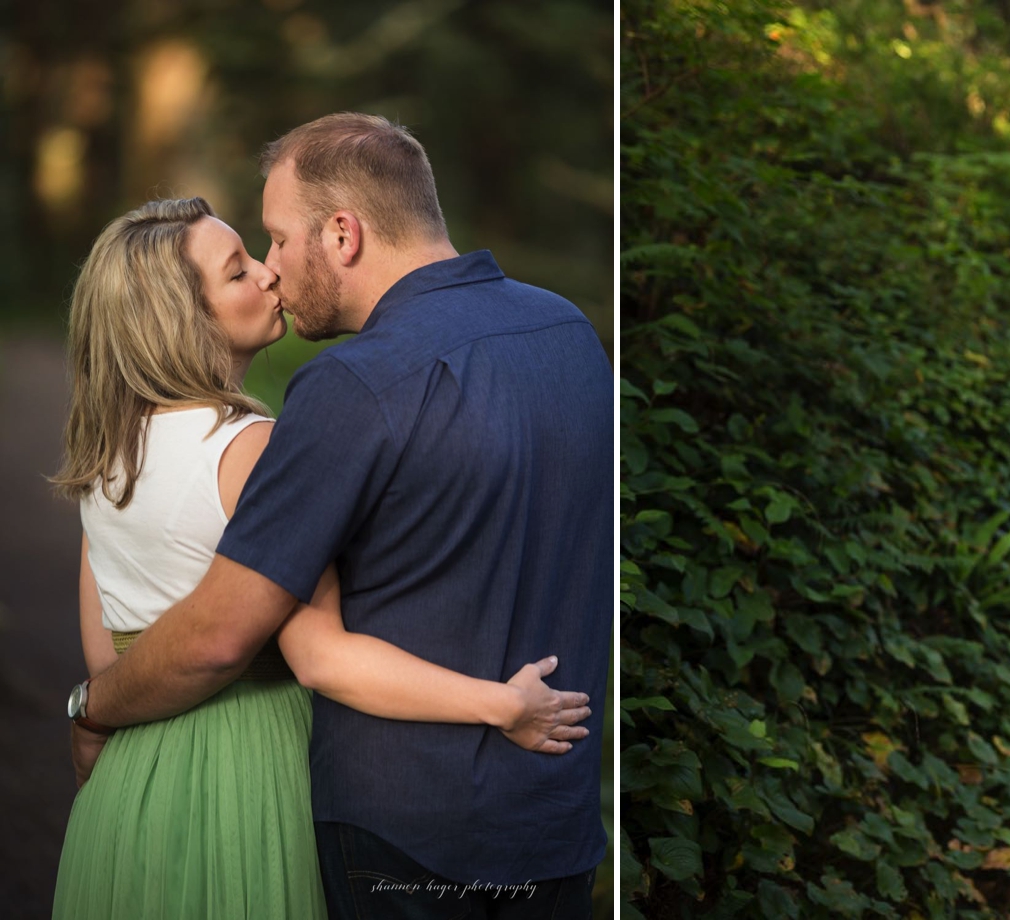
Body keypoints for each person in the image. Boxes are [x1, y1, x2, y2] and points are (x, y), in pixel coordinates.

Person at [62, 113, 614, 919]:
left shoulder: (350, 385)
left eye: (278, 240)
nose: (273, 268)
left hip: (398, 827)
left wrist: (91, 709)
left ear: (344, 235)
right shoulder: (570, 331)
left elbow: (221, 636)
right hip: (555, 821)